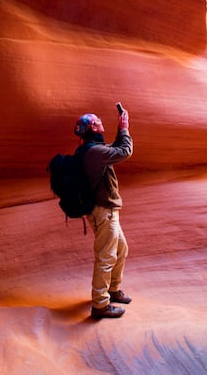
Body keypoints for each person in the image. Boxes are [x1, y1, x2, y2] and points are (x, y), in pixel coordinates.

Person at [74, 105, 133, 319]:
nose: (101, 121)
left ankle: (112, 289)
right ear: (92, 126)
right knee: (106, 255)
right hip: (104, 211)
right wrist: (125, 127)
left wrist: (120, 129)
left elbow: (114, 150)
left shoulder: (90, 150)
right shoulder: (94, 152)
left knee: (120, 249)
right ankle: (100, 304)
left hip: (103, 209)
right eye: (98, 120)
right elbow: (124, 151)